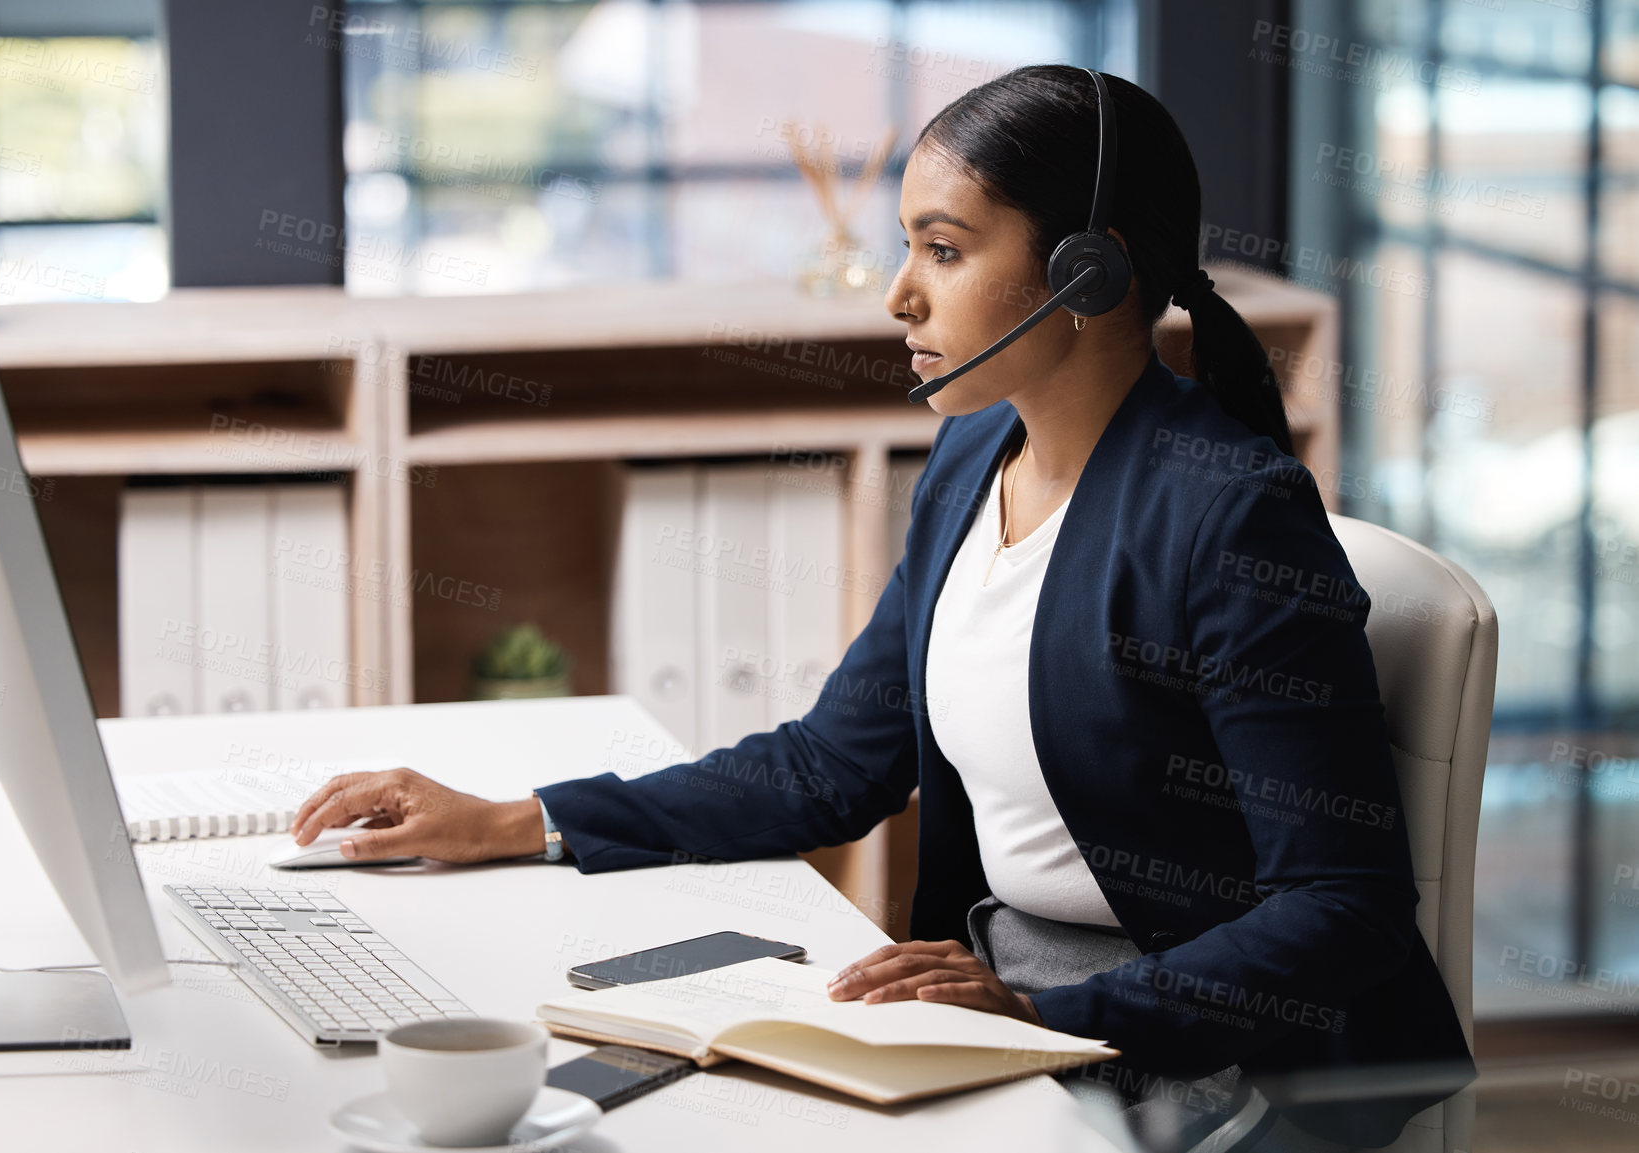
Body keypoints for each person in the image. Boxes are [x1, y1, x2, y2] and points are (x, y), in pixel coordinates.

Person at [290, 65, 1473, 1152]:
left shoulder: (1232, 517)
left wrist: (1043, 1015)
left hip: (1198, 1048)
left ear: (1087, 274)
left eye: (944, 251)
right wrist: (509, 821)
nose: (901, 295)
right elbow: (827, 768)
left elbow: (1342, 907)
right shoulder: (971, 464)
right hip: (1006, 997)